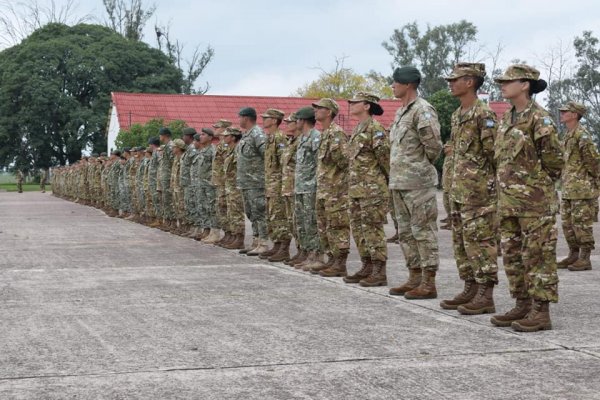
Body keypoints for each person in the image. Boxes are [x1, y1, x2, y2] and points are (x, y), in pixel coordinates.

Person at [490, 64, 564, 332]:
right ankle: (522, 304)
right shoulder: (506, 118)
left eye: (508, 81)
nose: (503, 85)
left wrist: (535, 185)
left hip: (534, 204)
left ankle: (540, 311)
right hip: (508, 202)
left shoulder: (539, 119)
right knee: (512, 255)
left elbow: (555, 162)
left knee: (538, 256)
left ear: (525, 85)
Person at [439, 63, 499, 314]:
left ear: (470, 82)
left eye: (456, 79)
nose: (451, 83)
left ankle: (485, 294)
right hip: (459, 190)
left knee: (480, 242)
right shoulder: (458, 114)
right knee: (462, 242)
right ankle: (470, 286)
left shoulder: (483, 114)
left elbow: (494, 154)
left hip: (478, 193)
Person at [387, 66, 443, 299]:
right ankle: (414, 276)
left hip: (418, 183)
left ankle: (428, 282)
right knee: (407, 233)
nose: (393, 86)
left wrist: (418, 167)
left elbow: (433, 147)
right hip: (400, 182)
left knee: (423, 232)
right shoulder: (401, 112)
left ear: (408, 84)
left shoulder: (423, 110)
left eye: (396, 82)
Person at [342, 92, 390, 286]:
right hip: (356, 189)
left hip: (372, 190)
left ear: (367, 106)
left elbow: (385, 160)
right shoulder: (357, 129)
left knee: (372, 229)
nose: (351, 104)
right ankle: (367, 265)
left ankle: (379, 270)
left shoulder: (375, 129)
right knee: (359, 229)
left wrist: (383, 184)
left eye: (355, 102)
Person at [557, 101, 599, 271]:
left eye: (565, 111)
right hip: (568, 189)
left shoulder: (583, 136)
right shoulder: (568, 135)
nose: (562, 113)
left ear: (574, 115)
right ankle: (573, 254)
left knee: (582, 224)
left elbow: (594, 162)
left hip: (581, 189)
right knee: (567, 224)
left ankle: (585, 258)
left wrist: (594, 183)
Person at [312, 98, 351, 277]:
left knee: (338, 226)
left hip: (336, 191)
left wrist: (340, 185)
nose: (316, 111)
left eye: (320, 108)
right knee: (324, 226)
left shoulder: (337, 133)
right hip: (324, 189)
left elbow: (345, 161)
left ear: (329, 112)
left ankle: (340, 263)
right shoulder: (325, 134)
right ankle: (331, 259)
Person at [259, 109, 292, 261]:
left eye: (266, 118)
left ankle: (283, 248)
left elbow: (284, 164)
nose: (264, 120)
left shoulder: (280, 138)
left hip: (278, 185)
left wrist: (282, 186)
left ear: (274, 120)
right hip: (269, 185)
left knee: (279, 217)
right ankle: (277, 245)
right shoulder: (269, 138)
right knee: (272, 217)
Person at [292, 106, 322, 270]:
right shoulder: (303, 138)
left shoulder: (315, 137)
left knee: (312, 222)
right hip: (301, 187)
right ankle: (309, 254)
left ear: (303, 120)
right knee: (303, 223)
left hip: (311, 187)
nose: (295, 122)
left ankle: (318, 255)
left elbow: (320, 163)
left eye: (297, 119)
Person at [237, 107, 268, 255]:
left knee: (259, 212)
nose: (239, 120)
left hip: (256, 182)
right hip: (246, 182)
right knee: (250, 212)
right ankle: (255, 241)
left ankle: (263, 242)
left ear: (246, 118)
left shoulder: (257, 133)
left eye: (240, 117)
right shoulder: (246, 135)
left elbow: (266, 155)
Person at [280, 113, 302, 264]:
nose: (287, 124)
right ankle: (301, 251)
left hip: (298, 187)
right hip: (288, 187)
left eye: (290, 122)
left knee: (300, 221)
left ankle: (305, 251)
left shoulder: (302, 141)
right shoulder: (290, 142)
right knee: (292, 222)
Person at [221, 127, 246, 250]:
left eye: (227, 135)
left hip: (236, 186)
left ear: (233, 137)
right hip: (229, 186)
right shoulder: (230, 150)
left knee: (237, 213)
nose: (224, 137)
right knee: (231, 212)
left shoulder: (237, 150)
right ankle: (234, 236)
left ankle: (239, 239)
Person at [211, 119, 234, 245]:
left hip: (227, 182)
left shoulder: (226, 145)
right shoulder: (220, 145)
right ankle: (228, 234)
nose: (215, 129)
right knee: (222, 208)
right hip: (220, 182)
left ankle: (232, 235)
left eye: (218, 127)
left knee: (229, 208)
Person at [180, 128, 198, 236]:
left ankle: (196, 229)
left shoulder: (193, 149)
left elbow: (193, 166)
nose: (183, 138)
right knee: (189, 205)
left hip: (191, 182)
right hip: (187, 182)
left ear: (189, 137)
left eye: (184, 136)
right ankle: (192, 228)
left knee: (192, 205)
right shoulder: (189, 149)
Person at [158, 128, 175, 230]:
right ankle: (168, 221)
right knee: (165, 199)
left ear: (165, 135)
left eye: (160, 135)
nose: (160, 137)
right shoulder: (166, 146)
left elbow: (173, 162)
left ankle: (172, 222)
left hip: (169, 177)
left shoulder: (170, 146)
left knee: (169, 200)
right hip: (165, 176)